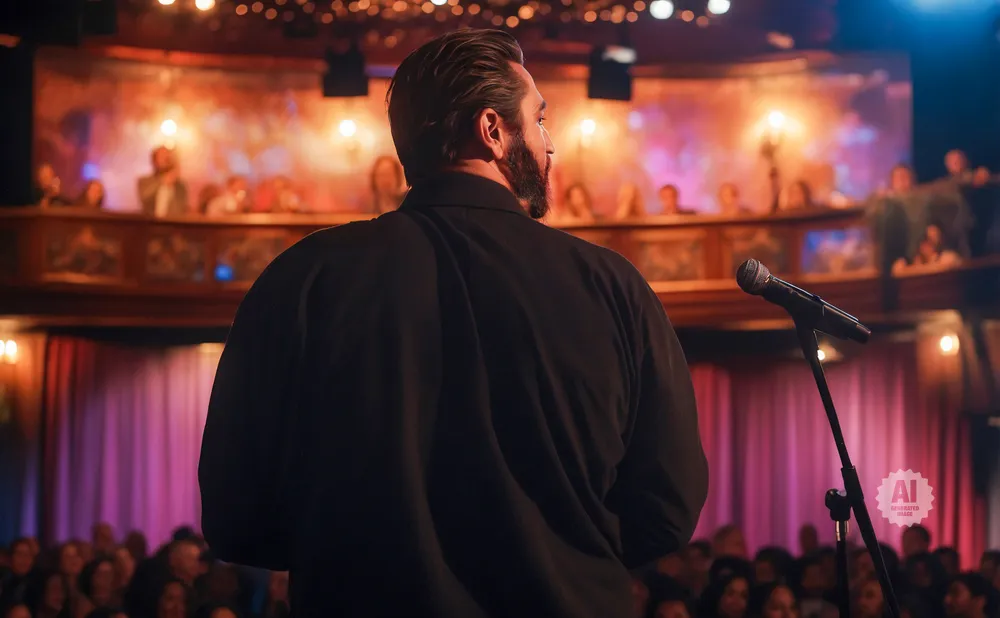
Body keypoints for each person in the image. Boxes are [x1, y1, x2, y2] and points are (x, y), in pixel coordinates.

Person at [199, 28, 708, 618]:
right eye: (540, 121)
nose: (550, 146)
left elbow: (237, 517)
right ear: (493, 130)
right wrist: (567, 557)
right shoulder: (612, 286)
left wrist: (340, 554)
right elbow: (667, 509)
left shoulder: (302, 280)